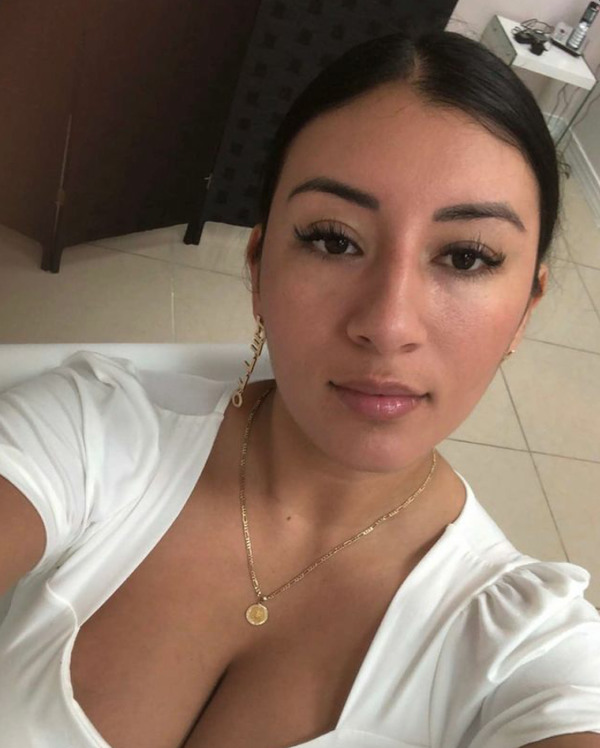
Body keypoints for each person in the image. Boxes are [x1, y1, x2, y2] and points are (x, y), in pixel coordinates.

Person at [1, 29, 600, 748]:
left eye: (465, 257)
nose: (387, 325)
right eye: (334, 240)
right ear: (258, 267)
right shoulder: (91, 432)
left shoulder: (527, 648)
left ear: (526, 308)